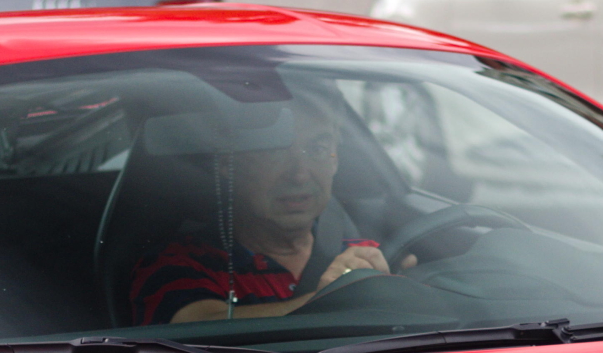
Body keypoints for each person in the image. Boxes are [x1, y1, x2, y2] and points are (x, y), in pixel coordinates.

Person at [127, 103, 408, 324]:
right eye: (275, 150)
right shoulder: (179, 264)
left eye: (318, 149)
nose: (299, 174)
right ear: (228, 163)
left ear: (336, 160)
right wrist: (331, 300)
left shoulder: (365, 258)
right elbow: (196, 327)